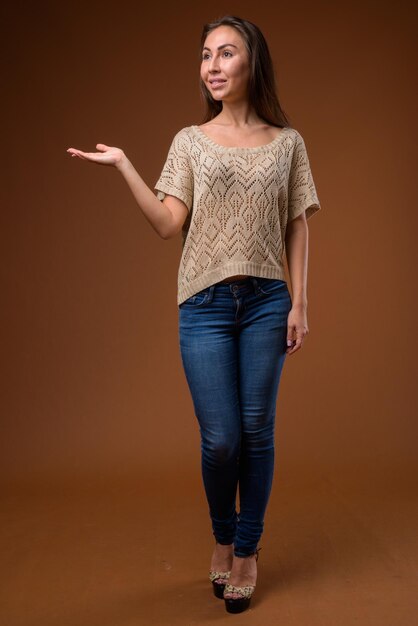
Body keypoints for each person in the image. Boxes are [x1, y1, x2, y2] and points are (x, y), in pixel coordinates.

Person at [67, 14, 321, 614]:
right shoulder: (188, 140)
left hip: (266, 303)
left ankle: (246, 552)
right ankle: (222, 532)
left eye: (225, 53)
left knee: (257, 431)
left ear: (250, 62)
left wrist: (301, 303)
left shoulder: (288, 143)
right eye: (205, 54)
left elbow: (297, 223)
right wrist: (126, 165)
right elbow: (165, 225)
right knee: (221, 438)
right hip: (203, 305)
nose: (211, 65)